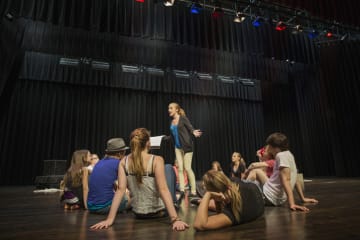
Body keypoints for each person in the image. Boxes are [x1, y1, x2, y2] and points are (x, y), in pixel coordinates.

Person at [90, 128, 189, 231]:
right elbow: (163, 189)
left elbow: (120, 191)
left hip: (138, 214)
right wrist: (175, 219)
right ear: (148, 143)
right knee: (168, 167)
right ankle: (176, 200)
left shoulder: (124, 161)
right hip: (160, 213)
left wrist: (109, 219)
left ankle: (177, 198)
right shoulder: (157, 160)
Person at [249, 133, 318, 211]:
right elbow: (295, 178)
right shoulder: (289, 154)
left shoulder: (280, 156)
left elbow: (285, 180)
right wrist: (303, 198)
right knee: (255, 176)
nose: (267, 147)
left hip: (267, 196)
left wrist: (292, 203)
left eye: (268, 145)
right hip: (275, 197)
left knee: (243, 189)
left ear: (274, 147)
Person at [193, 170, 264, 231]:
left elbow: (199, 224)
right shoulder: (231, 183)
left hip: (255, 193)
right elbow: (220, 211)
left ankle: (201, 201)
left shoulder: (233, 211)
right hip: (254, 188)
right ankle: (201, 201)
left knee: (211, 205)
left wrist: (208, 195)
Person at [86, 138, 131, 213]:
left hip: (91, 206)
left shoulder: (99, 163)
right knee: (134, 199)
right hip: (105, 207)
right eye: (124, 152)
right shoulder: (119, 164)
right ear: (119, 154)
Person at [168, 102, 202, 197]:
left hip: (187, 147)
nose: (169, 110)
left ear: (177, 110)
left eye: (171, 108)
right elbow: (171, 136)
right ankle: (182, 190)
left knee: (187, 168)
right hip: (177, 148)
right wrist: (162, 138)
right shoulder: (171, 122)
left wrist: (193, 131)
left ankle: (194, 190)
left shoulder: (183, 119)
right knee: (180, 169)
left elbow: (190, 127)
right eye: (168, 108)